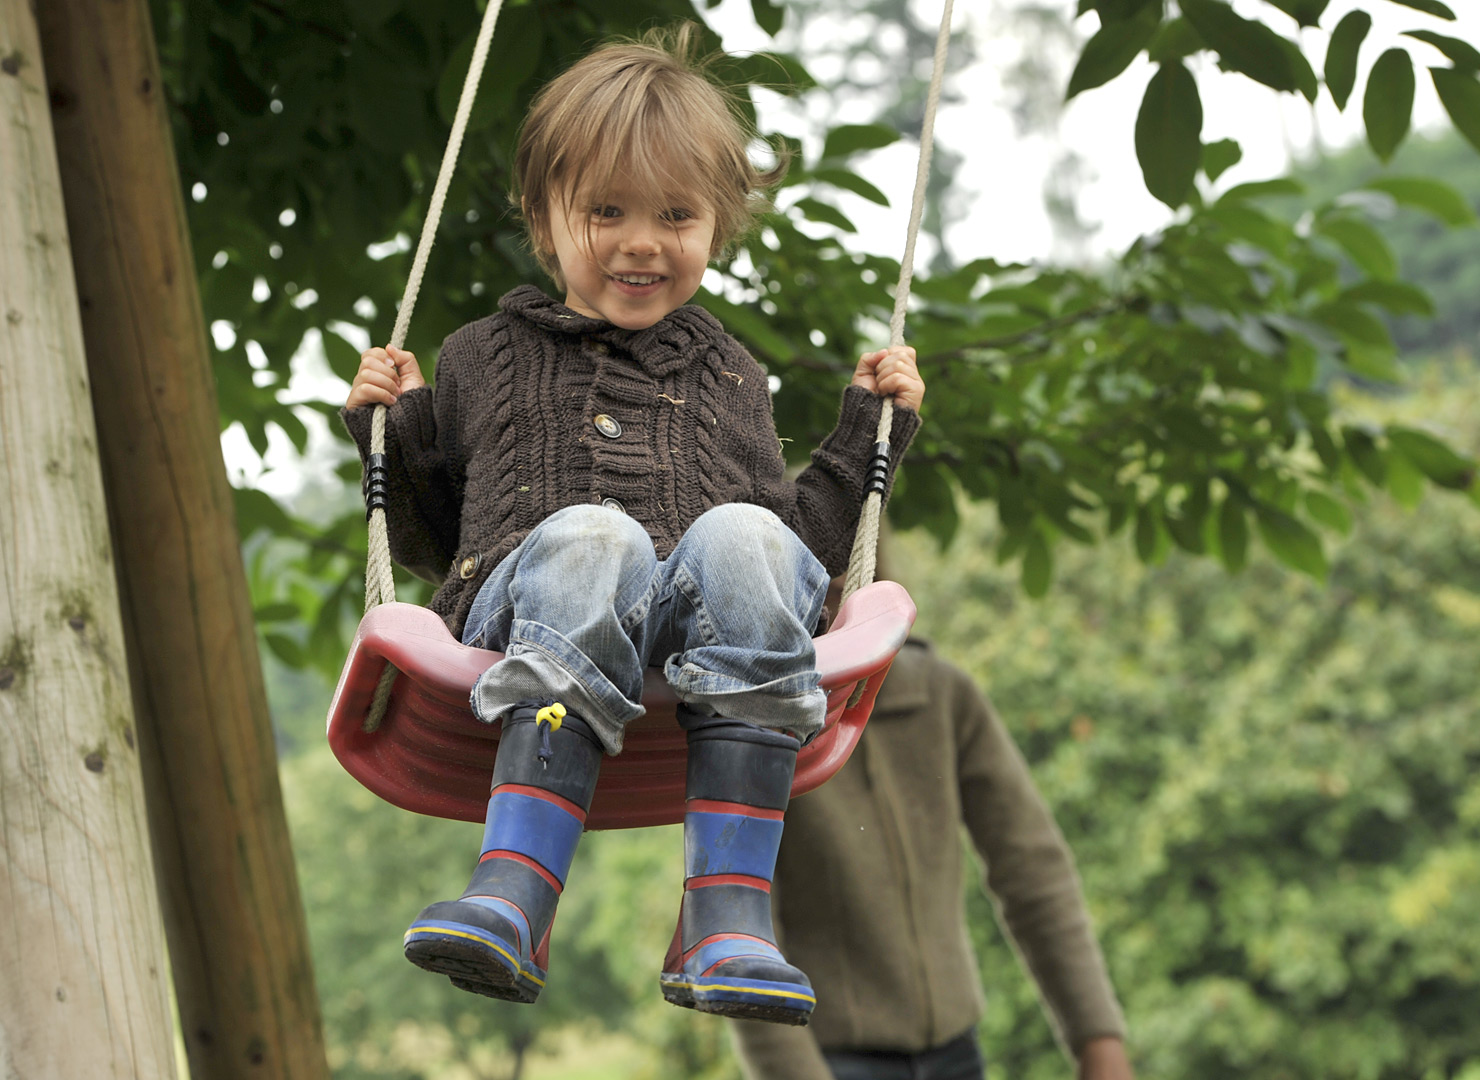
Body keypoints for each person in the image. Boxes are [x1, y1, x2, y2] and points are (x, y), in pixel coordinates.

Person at [339, 26, 924, 1027]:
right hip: (528, 627)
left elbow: (792, 559)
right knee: (594, 538)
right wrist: (387, 432)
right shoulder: (484, 355)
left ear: (718, 225)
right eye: (604, 210)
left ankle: (725, 911)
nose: (641, 242)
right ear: (542, 215)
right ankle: (516, 890)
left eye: (676, 214)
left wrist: (869, 438)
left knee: (743, 536)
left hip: (700, 654)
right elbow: (439, 534)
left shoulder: (733, 374)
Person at [730, 631, 1134, 1078]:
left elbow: (1032, 869)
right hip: (830, 1060)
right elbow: (738, 930)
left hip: (956, 1057)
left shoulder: (942, 696)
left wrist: (1099, 1039)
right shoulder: (749, 722)